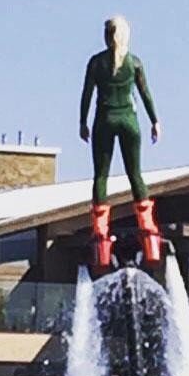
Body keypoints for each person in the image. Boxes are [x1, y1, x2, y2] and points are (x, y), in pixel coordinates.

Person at [79, 15, 162, 264]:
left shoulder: (96, 63)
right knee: (135, 174)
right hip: (129, 120)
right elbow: (145, 93)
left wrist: (82, 122)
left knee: (101, 176)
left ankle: (101, 236)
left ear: (107, 36)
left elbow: (86, 94)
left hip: (105, 119)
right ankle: (149, 233)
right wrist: (155, 120)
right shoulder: (134, 63)